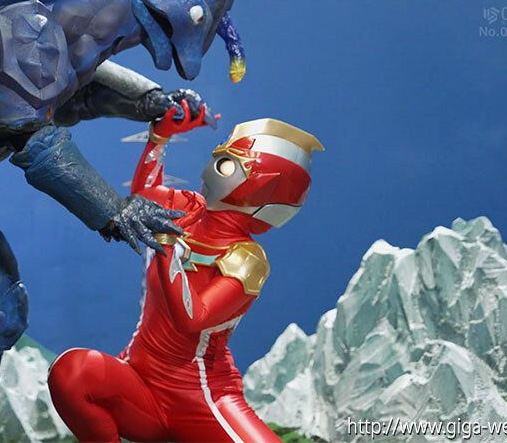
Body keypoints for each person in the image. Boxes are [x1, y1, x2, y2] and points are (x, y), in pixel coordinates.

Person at [47, 101, 324, 442]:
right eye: (218, 158)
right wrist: (159, 138)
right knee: (73, 373)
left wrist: (167, 246)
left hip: (202, 398)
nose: (209, 170)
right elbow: (143, 198)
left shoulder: (246, 259)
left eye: (226, 164)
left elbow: (193, 318)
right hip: (138, 382)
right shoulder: (189, 208)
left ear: (259, 186)